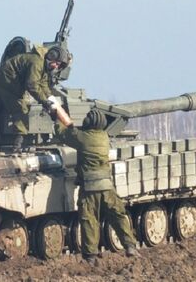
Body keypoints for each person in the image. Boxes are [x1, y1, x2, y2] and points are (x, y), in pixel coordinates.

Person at [53, 109, 141, 261]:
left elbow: (61, 134)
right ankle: (130, 246)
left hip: (89, 187)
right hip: (107, 186)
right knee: (118, 215)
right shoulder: (104, 137)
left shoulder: (82, 137)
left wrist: (56, 118)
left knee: (89, 220)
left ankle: (90, 256)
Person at [0, 45, 71, 152]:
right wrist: (44, 101)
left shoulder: (43, 65)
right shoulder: (37, 63)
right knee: (20, 109)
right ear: (52, 56)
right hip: (8, 79)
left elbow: (43, 85)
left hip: (1, 77)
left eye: (59, 65)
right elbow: (32, 85)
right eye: (57, 63)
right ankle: (18, 144)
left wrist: (50, 99)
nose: (56, 67)